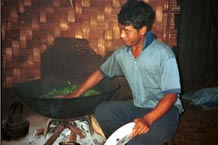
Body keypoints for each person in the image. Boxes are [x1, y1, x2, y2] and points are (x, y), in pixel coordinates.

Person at [60, 1, 184, 144]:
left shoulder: (163, 54)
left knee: (136, 142)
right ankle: (123, 139)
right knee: (103, 111)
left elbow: (172, 95)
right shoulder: (121, 54)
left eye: (127, 30)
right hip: (138, 107)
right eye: (120, 29)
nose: (121, 35)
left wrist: (147, 120)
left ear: (142, 30)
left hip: (165, 112)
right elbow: (100, 73)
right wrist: (75, 94)